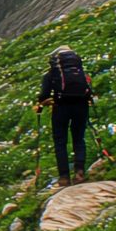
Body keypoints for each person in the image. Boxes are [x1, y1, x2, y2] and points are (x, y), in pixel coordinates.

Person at [36, 46, 93, 187]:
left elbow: (43, 96)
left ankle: (64, 177)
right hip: (81, 106)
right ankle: (79, 171)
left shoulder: (51, 74)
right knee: (79, 138)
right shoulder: (80, 71)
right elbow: (88, 89)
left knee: (60, 141)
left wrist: (45, 101)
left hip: (61, 107)